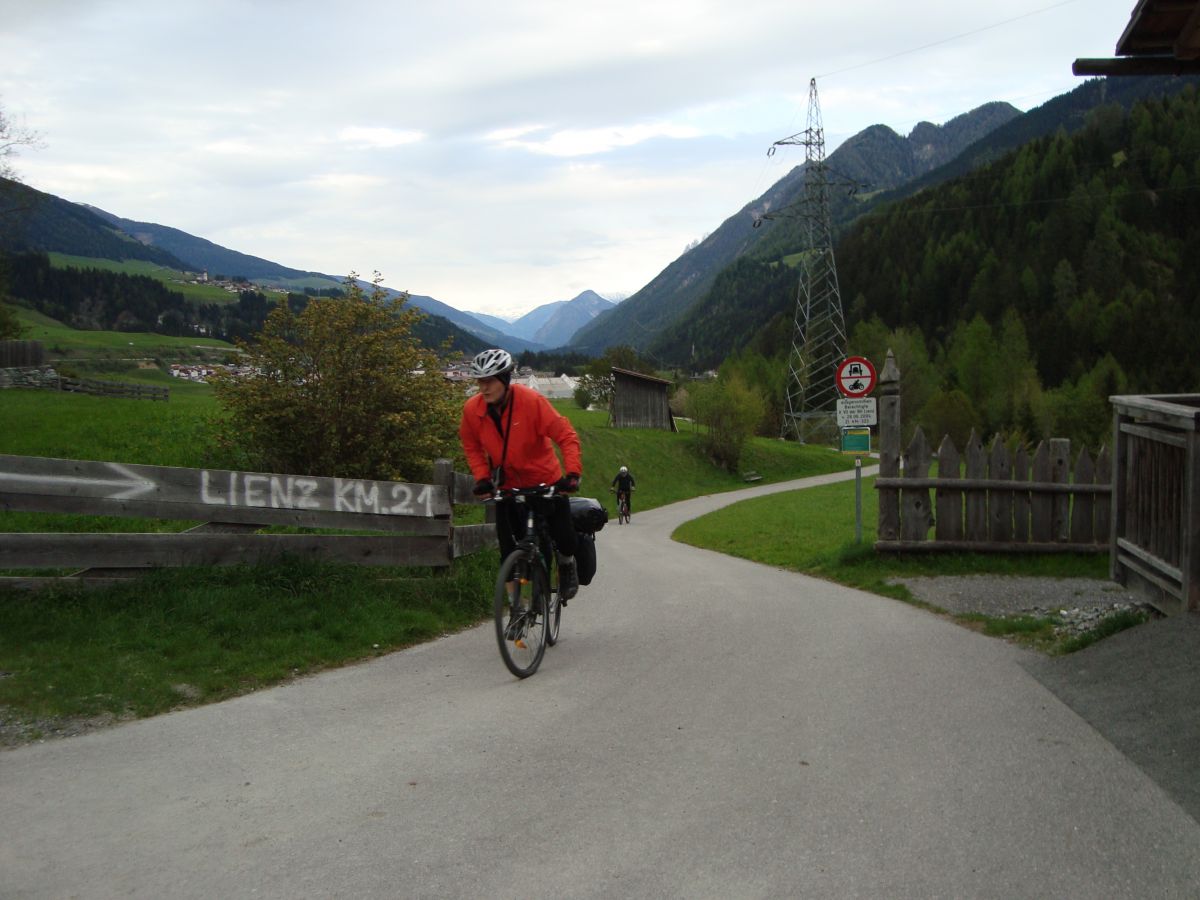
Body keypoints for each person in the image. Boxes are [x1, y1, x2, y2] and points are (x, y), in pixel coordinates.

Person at [459, 348, 582, 599]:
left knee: (565, 538)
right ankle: (516, 609)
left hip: (546, 481)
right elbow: (471, 446)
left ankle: (567, 564)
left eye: (489, 381)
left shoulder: (531, 402)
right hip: (508, 486)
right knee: (507, 550)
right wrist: (482, 478)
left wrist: (571, 474)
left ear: (504, 379)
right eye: (480, 382)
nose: (483, 388)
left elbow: (566, 435)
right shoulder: (472, 410)